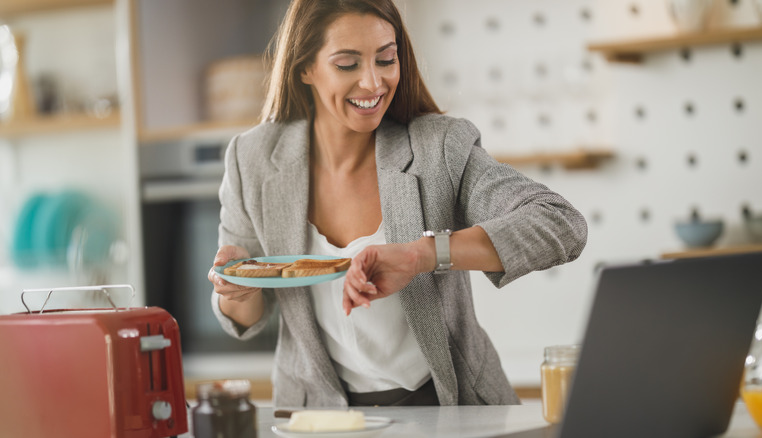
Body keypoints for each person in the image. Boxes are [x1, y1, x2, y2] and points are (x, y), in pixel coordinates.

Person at [207, 0, 587, 408]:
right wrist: (235, 290)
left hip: (448, 406)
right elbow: (242, 320)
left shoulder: (438, 147)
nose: (372, 83)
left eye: (386, 59)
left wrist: (422, 254)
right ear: (305, 68)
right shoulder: (253, 159)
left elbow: (561, 223)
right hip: (319, 415)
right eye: (348, 64)